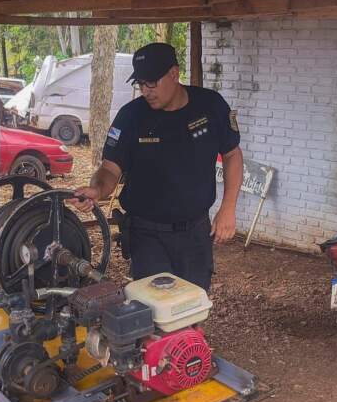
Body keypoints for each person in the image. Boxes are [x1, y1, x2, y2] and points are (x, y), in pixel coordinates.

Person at [72, 43, 243, 291]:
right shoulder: (131, 116)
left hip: (195, 232)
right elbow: (110, 169)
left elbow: (232, 155)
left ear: (174, 74)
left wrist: (228, 208)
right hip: (147, 234)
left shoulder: (210, 106)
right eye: (140, 83)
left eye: (151, 83)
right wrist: (97, 190)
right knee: (155, 311)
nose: (146, 91)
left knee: (192, 307)